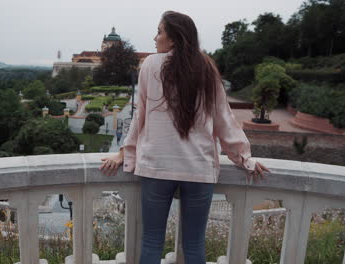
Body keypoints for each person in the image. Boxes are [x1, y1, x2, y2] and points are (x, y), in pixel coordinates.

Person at [99, 11, 270, 264]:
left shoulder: (150, 65)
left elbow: (140, 115)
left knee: (152, 241)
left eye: (160, 32)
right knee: (193, 245)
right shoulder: (207, 68)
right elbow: (224, 119)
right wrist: (244, 158)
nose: (155, 37)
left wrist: (126, 151)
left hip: (157, 165)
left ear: (174, 38)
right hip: (198, 167)